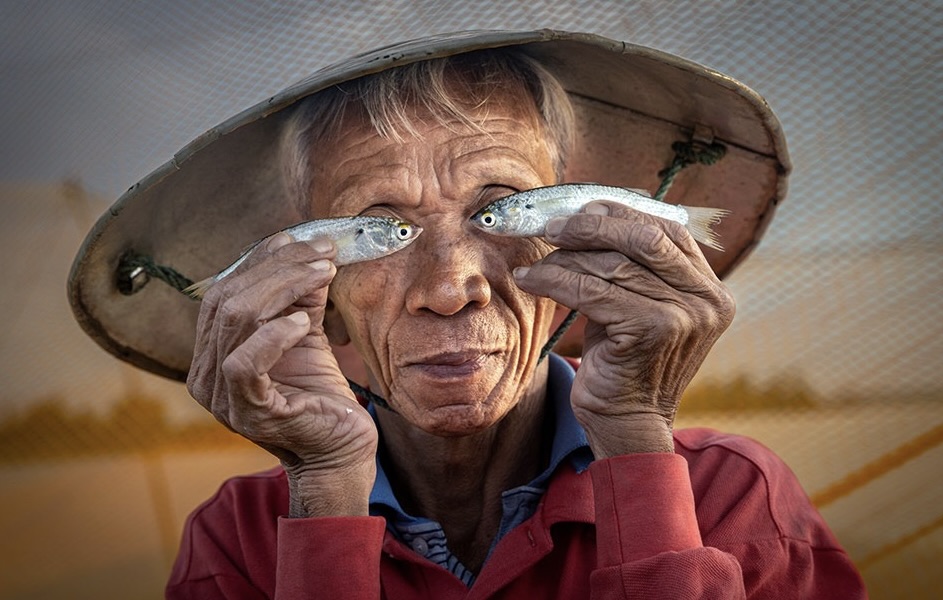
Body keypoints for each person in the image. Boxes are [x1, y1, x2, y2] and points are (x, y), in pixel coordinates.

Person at [67, 30, 866, 599]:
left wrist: (632, 437)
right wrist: (326, 491)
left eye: (502, 208)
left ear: (581, 252)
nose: (448, 286)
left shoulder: (729, 494)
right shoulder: (237, 542)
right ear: (323, 299)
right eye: (379, 227)